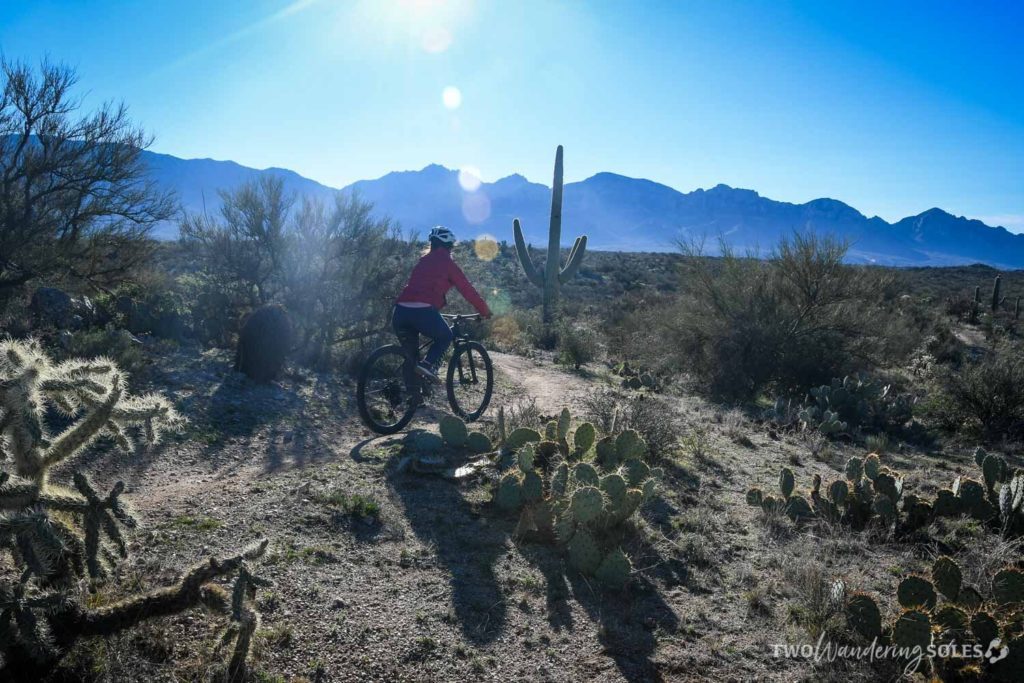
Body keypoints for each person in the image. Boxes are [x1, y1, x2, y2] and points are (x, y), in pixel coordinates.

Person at [393, 226, 491, 385]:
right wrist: (484, 310)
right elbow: (467, 289)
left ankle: (414, 398)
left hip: (400, 312)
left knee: (411, 357)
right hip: (423, 312)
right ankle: (427, 365)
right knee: (445, 336)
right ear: (448, 246)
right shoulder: (447, 263)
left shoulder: (422, 262)